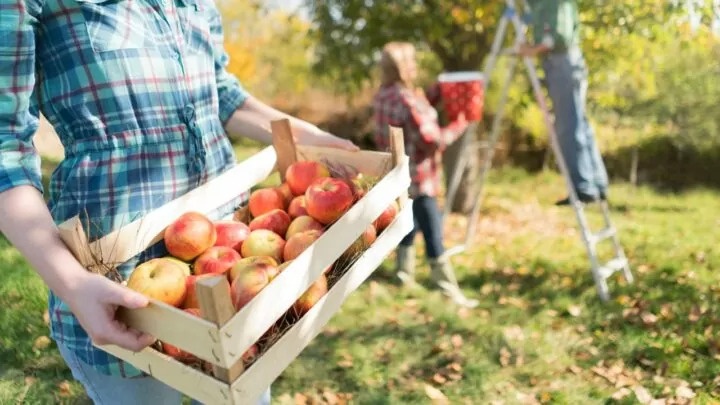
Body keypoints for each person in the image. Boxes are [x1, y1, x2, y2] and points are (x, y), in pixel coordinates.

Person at [0, 0, 357, 403]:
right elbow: (4, 148)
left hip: (231, 267)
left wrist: (308, 136)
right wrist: (73, 283)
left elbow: (221, 93)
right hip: (118, 289)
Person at [372, 42, 479, 309]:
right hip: (419, 178)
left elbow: (411, 114)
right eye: (413, 62)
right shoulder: (408, 100)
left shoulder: (384, 95)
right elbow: (431, 139)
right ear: (404, 68)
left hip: (396, 176)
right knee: (433, 231)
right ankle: (448, 289)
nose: (416, 66)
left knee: (409, 221)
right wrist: (459, 124)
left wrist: (434, 94)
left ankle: (403, 274)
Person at [518, 0, 609, 206]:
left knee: (568, 126)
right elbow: (533, 13)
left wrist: (531, 50)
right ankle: (597, 183)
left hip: (562, 62)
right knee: (580, 123)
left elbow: (556, 37)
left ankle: (583, 187)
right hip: (568, 62)